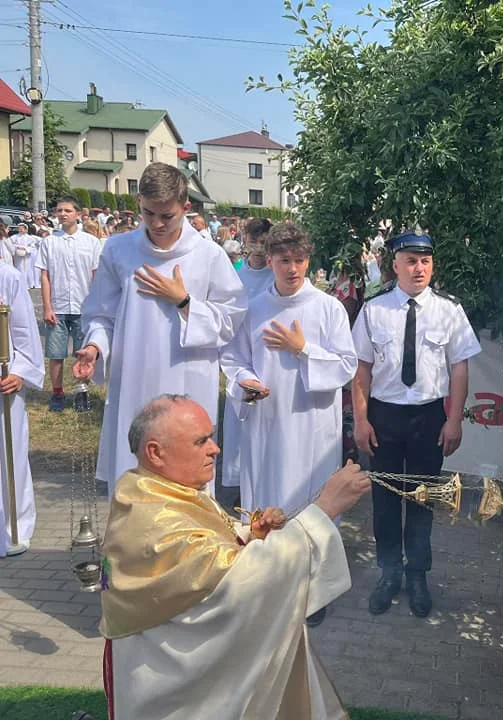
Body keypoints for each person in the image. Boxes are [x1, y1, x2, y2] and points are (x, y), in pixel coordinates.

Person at [100, 394, 369, 720]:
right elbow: (234, 580)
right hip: (172, 689)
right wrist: (325, 510)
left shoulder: (153, 488)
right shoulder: (152, 519)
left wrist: (250, 536)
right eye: (201, 441)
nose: (215, 448)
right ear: (155, 452)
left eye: (211, 437)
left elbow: (204, 553)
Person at [73, 162, 247, 496]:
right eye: (148, 213)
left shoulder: (208, 255)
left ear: (185, 207)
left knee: (185, 482)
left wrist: (184, 301)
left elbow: (231, 319)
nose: (156, 224)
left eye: (167, 216)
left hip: (189, 379)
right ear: (138, 201)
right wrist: (94, 347)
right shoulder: (119, 249)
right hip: (133, 381)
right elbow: (102, 314)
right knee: (134, 478)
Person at [351, 230, 481, 617]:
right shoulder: (375, 310)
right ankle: (388, 574)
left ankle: (418, 576)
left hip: (428, 417)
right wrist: (361, 421)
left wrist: (454, 421)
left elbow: (459, 369)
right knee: (385, 500)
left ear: (432, 264)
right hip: (385, 415)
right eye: (410, 260)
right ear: (394, 265)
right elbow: (361, 370)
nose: (418, 268)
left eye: (424, 261)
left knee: (424, 500)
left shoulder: (449, 310)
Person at [220, 222, 357, 515]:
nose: (292, 269)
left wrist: (303, 349)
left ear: (308, 260)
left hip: (313, 426)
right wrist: (247, 383)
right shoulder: (254, 310)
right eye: (284, 260)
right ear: (269, 261)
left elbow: (347, 365)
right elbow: (234, 361)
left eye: (299, 260)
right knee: (267, 509)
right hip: (266, 424)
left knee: (312, 510)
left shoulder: (328, 308)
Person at [219, 216, 275, 493]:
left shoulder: (277, 276)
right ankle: (241, 483)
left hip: (271, 353)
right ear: (245, 243)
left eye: (264, 243)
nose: (258, 249)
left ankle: (268, 479)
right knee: (240, 423)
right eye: (253, 243)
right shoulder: (235, 277)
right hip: (242, 354)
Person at [37, 196, 101, 412]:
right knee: (56, 353)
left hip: (84, 307)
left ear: (78, 214)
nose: (62, 214)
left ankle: (82, 391)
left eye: (67, 210)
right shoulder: (49, 242)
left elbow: (96, 276)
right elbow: (45, 276)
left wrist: (96, 306)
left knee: (83, 353)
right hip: (59, 306)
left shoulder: (91, 242)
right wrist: (47, 306)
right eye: (59, 210)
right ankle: (57, 393)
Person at [0, 262, 44, 556]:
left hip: (4, 379)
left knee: (8, 452)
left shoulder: (7, 276)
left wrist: (20, 371)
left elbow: (25, 330)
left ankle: (14, 526)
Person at [9, 223, 40, 289]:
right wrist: (17, 248)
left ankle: (29, 283)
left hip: (27, 257)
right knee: (19, 268)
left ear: (26, 230)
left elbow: (32, 246)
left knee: (28, 269)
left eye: (22, 229)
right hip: (18, 256)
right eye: (19, 229)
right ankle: (19, 284)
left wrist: (26, 249)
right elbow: (11, 244)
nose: (20, 230)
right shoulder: (14, 237)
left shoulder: (30, 238)